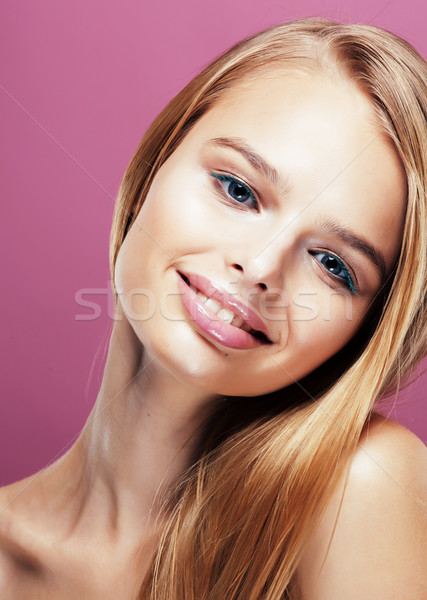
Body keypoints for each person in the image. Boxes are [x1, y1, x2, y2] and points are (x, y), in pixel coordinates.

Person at [0, 16, 426, 600]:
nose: (260, 267)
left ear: (365, 329)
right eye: (238, 189)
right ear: (158, 159)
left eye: (334, 265)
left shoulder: (363, 486)